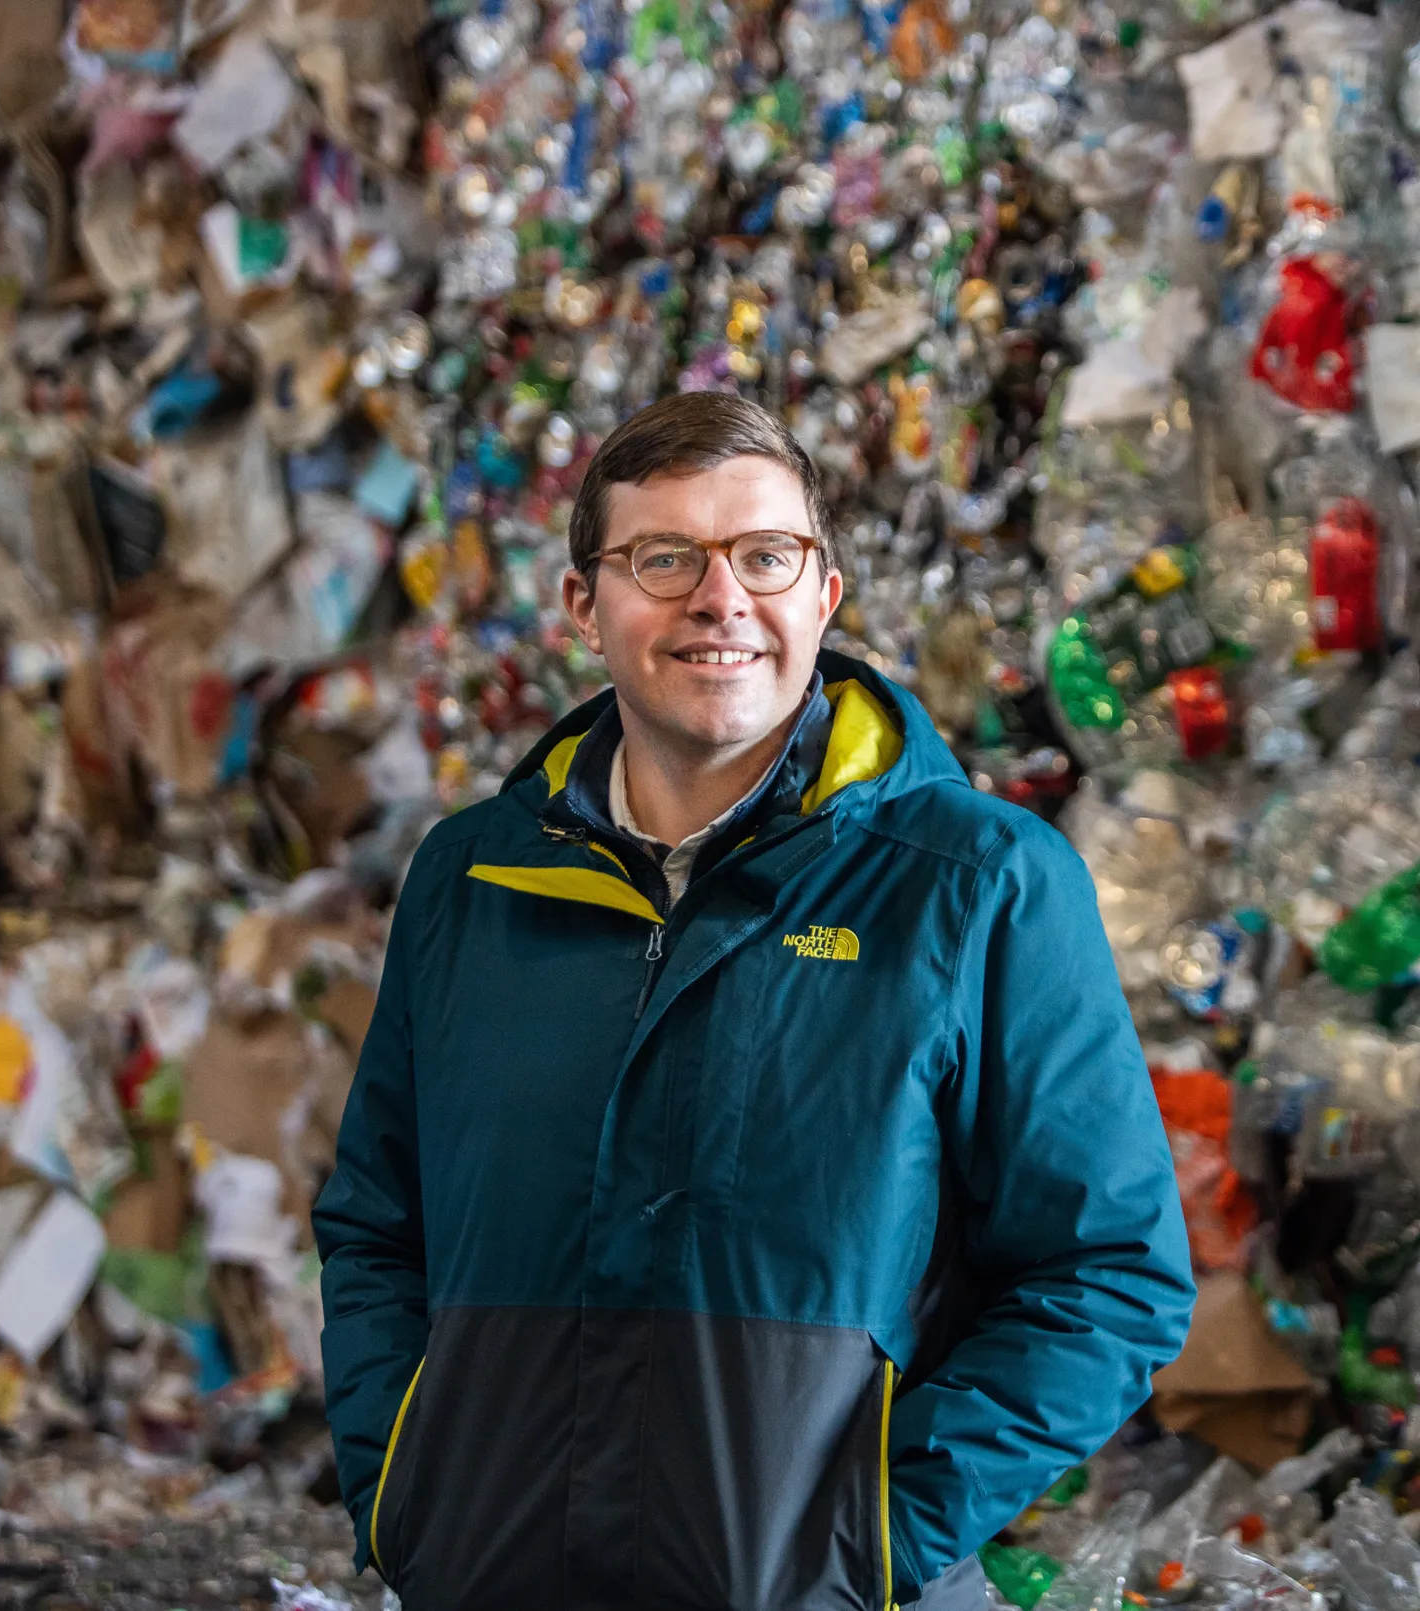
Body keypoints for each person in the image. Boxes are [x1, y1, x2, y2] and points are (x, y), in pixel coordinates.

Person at [314, 392, 1195, 1611]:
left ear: (823, 594)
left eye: (764, 556)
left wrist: (870, 1538)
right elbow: (374, 1225)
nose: (719, 599)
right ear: (584, 606)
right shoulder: (471, 879)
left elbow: (1109, 1275)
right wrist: (403, 1491)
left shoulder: (979, 883)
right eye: (662, 558)